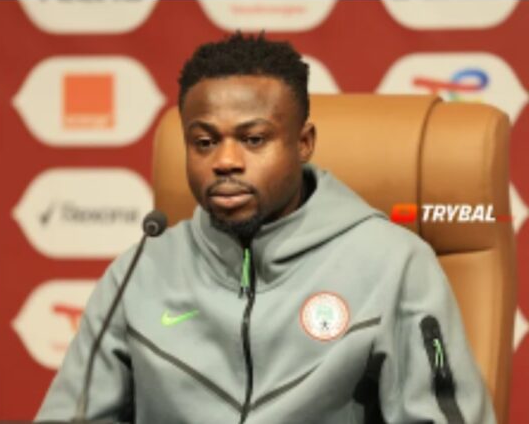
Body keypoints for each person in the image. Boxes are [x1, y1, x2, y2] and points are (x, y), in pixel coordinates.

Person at [35, 32, 495, 424]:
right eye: (204, 142)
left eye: (253, 139)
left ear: (303, 143)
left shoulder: (394, 264)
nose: (225, 161)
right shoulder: (138, 272)